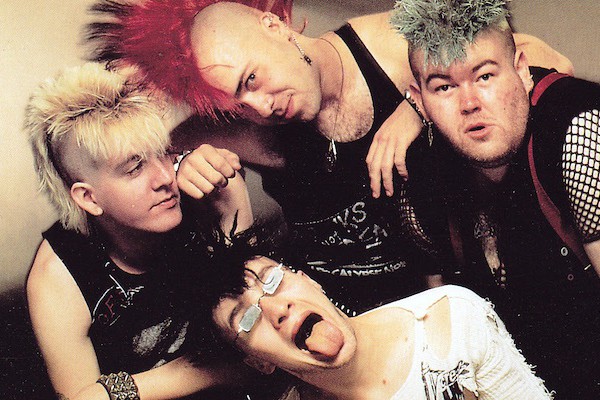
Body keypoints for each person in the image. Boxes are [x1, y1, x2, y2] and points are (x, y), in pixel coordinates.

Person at [85, 0, 573, 315]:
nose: (259, 107)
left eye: (252, 79)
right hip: (333, 318)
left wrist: (416, 106)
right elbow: (130, 154)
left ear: (274, 26)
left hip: (445, 294)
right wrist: (180, 164)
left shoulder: (393, 43)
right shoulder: (246, 123)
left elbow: (541, 60)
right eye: (237, 102)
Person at [393, 0, 600, 397]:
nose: (470, 103)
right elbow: (447, 346)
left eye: (485, 75)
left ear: (522, 70)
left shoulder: (577, 133)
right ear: (419, 100)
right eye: (444, 87)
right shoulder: (420, 180)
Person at [25, 62, 254, 400]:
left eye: (164, 153)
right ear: (88, 198)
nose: (164, 178)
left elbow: (257, 329)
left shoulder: (204, 192)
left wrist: (228, 188)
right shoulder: (59, 278)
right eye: (134, 168)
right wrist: (210, 370)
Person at [200, 228, 552, 400]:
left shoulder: (450, 320)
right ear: (258, 362)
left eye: (273, 280)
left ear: (310, 281)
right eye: (247, 319)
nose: (276, 309)